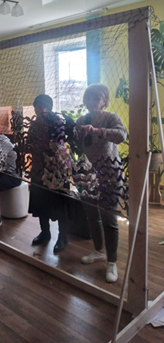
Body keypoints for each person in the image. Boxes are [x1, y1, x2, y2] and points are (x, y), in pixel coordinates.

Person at [75, 84, 127, 283]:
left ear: (104, 100)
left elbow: (122, 136)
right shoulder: (81, 120)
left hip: (111, 176)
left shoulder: (111, 117)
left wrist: (97, 130)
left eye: (97, 98)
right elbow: (78, 147)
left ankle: (111, 261)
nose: (93, 101)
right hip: (88, 176)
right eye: (89, 98)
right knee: (92, 216)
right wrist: (77, 134)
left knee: (110, 219)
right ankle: (99, 250)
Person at [28, 94, 75, 254]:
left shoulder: (57, 121)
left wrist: (43, 145)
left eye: (41, 107)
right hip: (38, 168)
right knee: (41, 202)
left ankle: (63, 237)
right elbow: (30, 142)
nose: (38, 110)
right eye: (36, 107)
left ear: (49, 107)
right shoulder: (34, 124)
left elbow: (58, 143)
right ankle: (45, 232)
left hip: (56, 169)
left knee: (59, 204)